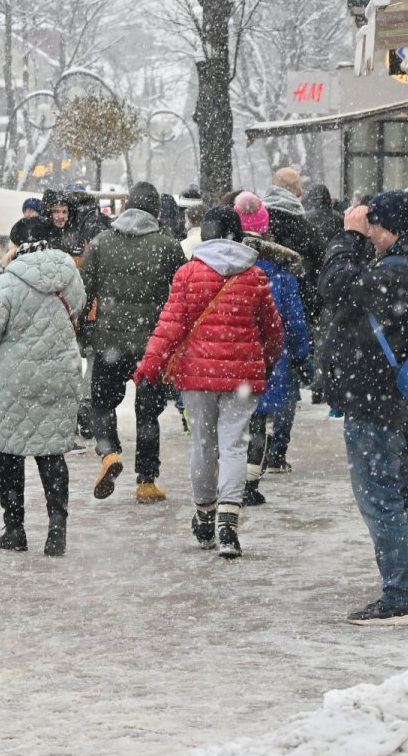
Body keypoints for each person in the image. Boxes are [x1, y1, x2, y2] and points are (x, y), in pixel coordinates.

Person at [318, 190, 408, 625]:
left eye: (371, 227)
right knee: (402, 490)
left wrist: (344, 239)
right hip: (402, 399)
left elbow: (333, 287)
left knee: (380, 496)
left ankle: (402, 593)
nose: (366, 235)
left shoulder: (396, 271)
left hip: (379, 403)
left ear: (388, 230)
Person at [134, 207, 283, 559]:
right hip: (242, 378)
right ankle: (228, 525)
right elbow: (273, 331)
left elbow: (169, 326)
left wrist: (150, 365)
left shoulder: (187, 274)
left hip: (196, 377)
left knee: (204, 444)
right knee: (234, 446)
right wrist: (265, 361)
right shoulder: (255, 276)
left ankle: (204, 516)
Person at [0, 216, 85, 554]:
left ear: (17, 245)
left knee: (11, 454)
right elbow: (76, 309)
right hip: (60, 374)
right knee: (52, 453)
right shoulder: (69, 273)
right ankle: (56, 531)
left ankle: (15, 530)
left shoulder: (8, 283)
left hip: (15, 382)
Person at [78, 181, 186, 503]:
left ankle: (110, 452)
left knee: (101, 404)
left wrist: (86, 332)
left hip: (109, 343)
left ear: (127, 207)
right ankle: (146, 482)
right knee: (148, 413)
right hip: (151, 346)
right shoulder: (167, 245)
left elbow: (84, 293)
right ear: (154, 210)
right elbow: (181, 294)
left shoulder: (101, 243)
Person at [232, 193, 310, 507]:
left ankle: (228, 482)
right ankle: (250, 483)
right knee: (257, 421)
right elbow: (293, 318)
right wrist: (301, 352)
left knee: (230, 423)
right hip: (266, 359)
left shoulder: (224, 266)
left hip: (229, 357)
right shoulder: (280, 271)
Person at [257, 170, 326, 475]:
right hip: (293, 308)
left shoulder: (257, 221)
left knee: (256, 378)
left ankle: (255, 446)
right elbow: (319, 272)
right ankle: (277, 451)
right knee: (287, 383)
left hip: (255, 306)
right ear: (297, 193)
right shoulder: (306, 229)